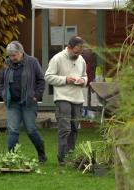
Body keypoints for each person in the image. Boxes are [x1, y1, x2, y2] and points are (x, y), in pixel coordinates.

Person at [0, 41, 47, 163]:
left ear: (21, 53)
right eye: (10, 56)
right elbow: (0, 81)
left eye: (14, 55)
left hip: (28, 103)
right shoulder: (6, 64)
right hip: (12, 104)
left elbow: (41, 81)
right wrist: (4, 95)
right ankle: (12, 158)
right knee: (12, 130)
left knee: (31, 130)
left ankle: (42, 155)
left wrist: (36, 96)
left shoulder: (32, 62)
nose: (12, 58)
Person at [45, 36, 88, 165]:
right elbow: (48, 77)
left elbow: (85, 76)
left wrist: (83, 81)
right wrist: (65, 80)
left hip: (78, 99)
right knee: (65, 129)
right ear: (69, 47)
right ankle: (62, 159)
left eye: (80, 53)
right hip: (62, 98)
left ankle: (71, 157)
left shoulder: (81, 60)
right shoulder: (57, 58)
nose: (78, 55)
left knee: (74, 129)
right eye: (76, 52)